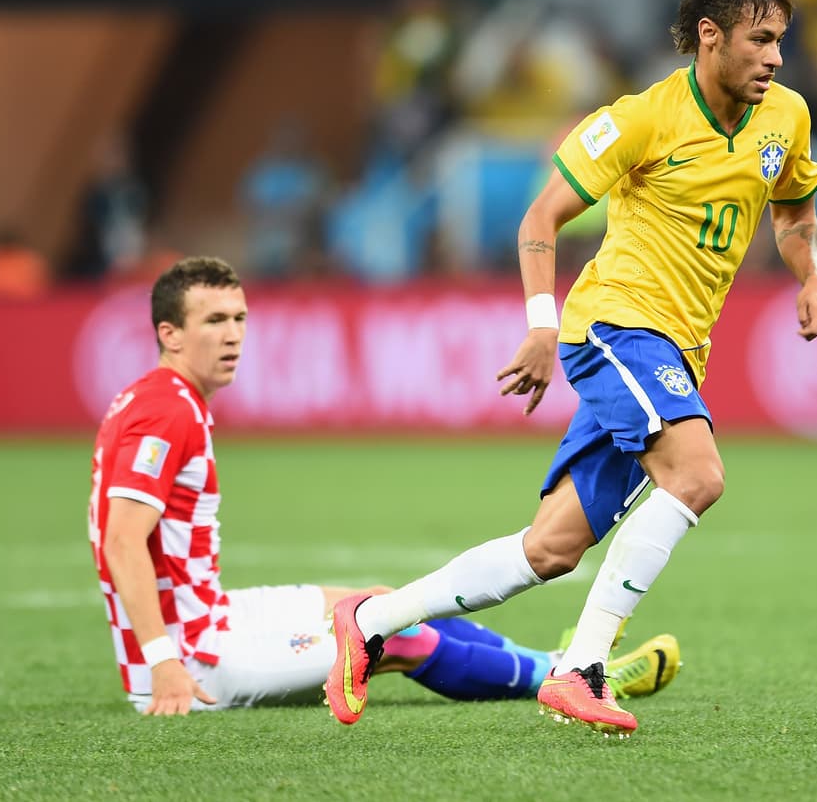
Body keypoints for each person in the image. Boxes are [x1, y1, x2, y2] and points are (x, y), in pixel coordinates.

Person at [325, 0, 817, 735]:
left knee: (550, 547)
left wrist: (811, 275)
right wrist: (539, 325)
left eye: (779, 40)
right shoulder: (640, 119)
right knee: (697, 475)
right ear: (709, 36)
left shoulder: (787, 117)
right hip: (615, 328)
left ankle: (370, 621)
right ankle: (581, 667)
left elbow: (794, 205)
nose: (774, 57)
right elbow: (541, 216)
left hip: (674, 353)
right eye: (758, 39)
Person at [88, 256, 680, 715]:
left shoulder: (162, 400)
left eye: (239, 318)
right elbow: (122, 542)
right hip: (191, 658)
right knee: (387, 636)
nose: (233, 335)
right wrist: (163, 662)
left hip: (209, 615)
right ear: (169, 334)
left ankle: (562, 662)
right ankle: (561, 673)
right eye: (214, 321)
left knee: (375, 604)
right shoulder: (165, 412)